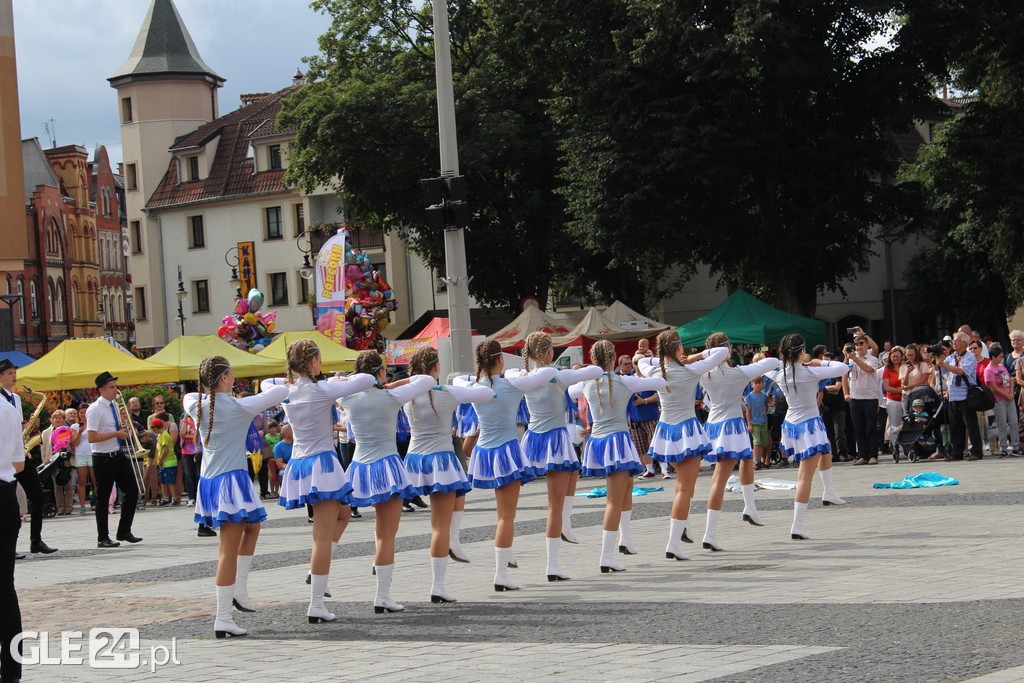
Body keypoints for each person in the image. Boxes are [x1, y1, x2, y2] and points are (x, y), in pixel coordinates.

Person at [267, 339, 375, 623]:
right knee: (321, 538)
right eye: (319, 360)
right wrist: (340, 378)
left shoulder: (288, 391)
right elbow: (368, 378)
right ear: (313, 362)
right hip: (321, 464)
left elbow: (268, 383)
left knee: (342, 516)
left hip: (301, 463)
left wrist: (295, 376)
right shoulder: (322, 389)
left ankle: (316, 571)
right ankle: (316, 601)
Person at [186, 356, 289, 638]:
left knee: (252, 527)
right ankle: (222, 617)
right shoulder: (239, 406)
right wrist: (288, 380)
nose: (234, 377)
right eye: (231, 374)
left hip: (212, 482)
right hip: (229, 482)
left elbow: (191, 394)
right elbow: (278, 393)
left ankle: (239, 589)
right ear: (224, 378)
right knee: (226, 552)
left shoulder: (196, 404)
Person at [341, 350, 434, 613]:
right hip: (387, 467)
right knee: (386, 535)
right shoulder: (390, 395)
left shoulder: (347, 397)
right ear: (380, 372)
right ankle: (382, 595)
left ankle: (319, 573)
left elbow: (330, 387)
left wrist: (352, 382)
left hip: (359, 467)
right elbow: (425, 380)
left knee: (376, 533)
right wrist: (393, 383)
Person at [462, 339, 556, 591]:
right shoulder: (511, 384)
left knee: (501, 514)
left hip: (484, 452)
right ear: (500, 359)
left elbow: (457, 382)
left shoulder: (474, 386)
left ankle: (506, 554)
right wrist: (521, 371)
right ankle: (501, 574)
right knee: (507, 516)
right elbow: (547, 372)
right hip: (506, 451)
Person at [405, 346, 495, 601]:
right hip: (440, 461)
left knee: (456, 499)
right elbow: (487, 393)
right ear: (435, 368)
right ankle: (438, 586)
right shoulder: (445, 393)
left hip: (414, 461)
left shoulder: (407, 396)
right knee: (439, 526)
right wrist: (464, 382)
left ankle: (453, 539)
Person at [571, 340, 666, 572]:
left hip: (599, 442)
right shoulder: (623, 381)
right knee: (614, 499)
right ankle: (606, 556)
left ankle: (625, 540)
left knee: (626, 488)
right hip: (617, 440)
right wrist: (644, 360)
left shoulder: (585, 383)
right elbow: (660, 381)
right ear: (613, 359)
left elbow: (569, 389)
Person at [514, 332, 602, 582]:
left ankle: (564, 524)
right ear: (549, 352)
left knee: (573, 471)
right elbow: (594, 371)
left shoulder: (524, 377)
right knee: (554, 504)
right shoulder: (557, 375)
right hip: (554, 439)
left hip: (533, 438)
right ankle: (553, 562)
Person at [636, 330, 728, 561]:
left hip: (666, 430)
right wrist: (696, 357)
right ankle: (673, 542)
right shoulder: (689, 369)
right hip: (686, 430)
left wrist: (662, 357)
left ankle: (681, 530)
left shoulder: (655, 369)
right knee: (685, 490)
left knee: (681, 487)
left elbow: (641, 360)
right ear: (677, 348)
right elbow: (723, 351)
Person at [698, 332, 781, 549]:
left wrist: (705, 356)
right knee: (719, 480)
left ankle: (750, 507)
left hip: (715, 425)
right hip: (730, 426)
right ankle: (709, 533)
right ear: (726, 350)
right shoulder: (736, 373)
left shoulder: (703, 373)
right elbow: (773, 361)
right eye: (730, 348)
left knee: (746, 460)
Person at [766, 334, 851, 540]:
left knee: (826, 449)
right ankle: (797, 524)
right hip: (809, 424)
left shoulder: (780, 373)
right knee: (805, 476)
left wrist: (782, 361)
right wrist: (820, 361)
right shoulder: (810, 371)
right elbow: (844, 368)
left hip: (793, 424)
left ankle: (829, 491)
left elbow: (763, 365)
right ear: (802, 351)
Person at [2, 360, 58, 555]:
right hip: (4, 457)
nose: (14, 376)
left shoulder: (16, 399)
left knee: (37, 494)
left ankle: (36, 540)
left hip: (20, 453)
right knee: (8, 501)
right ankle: (10, 546)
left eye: (14, 372)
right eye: (9, 373)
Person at [87, 371, 142, 548]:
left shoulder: (113, 406)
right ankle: (102, 537)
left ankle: (124, 530)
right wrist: (116, 433)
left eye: (115, 386)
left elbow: (115, 429)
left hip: (117, 454)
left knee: (132, 491)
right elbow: (92, 437)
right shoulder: (95, 409)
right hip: (102, 458)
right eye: (111, 387)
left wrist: (123, 429)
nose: (115, 390)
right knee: (103, 498)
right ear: (101, 390)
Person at [0, 369, 24, 683]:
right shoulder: (7, 408)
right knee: (5, 589)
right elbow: (18, 464)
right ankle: (12, 671)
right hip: (5, 496)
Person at [937, 332, 983, 461]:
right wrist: (938, 358)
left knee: (971, 424)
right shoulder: (951, 357)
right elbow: (941, 369)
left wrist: (944, 364)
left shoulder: (970, 357)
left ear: (964, 343)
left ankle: (976, 451)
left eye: (956, 341)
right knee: (955, 426)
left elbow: (961, 371)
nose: (954, 343)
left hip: (966, 395)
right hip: (953, 396)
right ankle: (956, 452)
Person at [844, 333, 881, 465]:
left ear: (866, 345)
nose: (858, 347)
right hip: (855, 397)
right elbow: (844, 372)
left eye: (861, 344)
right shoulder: (851, 359)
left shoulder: (872, 358)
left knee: (870, 428)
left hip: (870, 397)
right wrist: (846, 357)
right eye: (856, 344)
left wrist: (855, 358)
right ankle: (863, 454)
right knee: (858, 428)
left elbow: (868, 369)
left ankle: (873, 455)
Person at [985, 345, 1018, 456]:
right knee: (1002, 423)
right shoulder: (989, 370)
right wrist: (1006, 395)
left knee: (1014, 422)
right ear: (993, 357)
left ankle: (1016, 446)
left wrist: (1011, 393)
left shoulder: (1001, 367)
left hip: (1009, 397)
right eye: (999, 356)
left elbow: (1010, 380)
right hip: (999, 399)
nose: (1001, 358)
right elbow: (993, 388)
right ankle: (1003, 447)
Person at [68, 406, 95, 515]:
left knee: (95, 481)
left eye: (85, 412)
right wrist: (80, 432)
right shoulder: (75, 426)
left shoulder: (93, 423)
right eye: (81, 413)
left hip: (93, 453)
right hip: (81, 455)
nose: (83, 414)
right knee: (81, 481)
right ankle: (82, 506)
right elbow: (74, 443)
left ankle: (98, 503)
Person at [882, 346, 905, 460]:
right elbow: (887, 387)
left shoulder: (906, 367)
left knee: (906, 424)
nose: (895, 358)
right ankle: (897, 449)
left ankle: (907, 448)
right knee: (895, 426)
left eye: (897, 356)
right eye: (893, 356)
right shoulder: (887, 369)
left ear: (902, 357)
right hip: (893, 400)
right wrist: (900, 390)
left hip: (906, 399)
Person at [151, 417, 180, 507]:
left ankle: (174, 498)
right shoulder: (160, 435)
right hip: (163, 463)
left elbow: (165, 449)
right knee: (163, 481)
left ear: (155, 428)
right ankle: (166, 498)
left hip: (169, 461)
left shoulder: (164, 435)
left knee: (170, 481)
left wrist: (161, 459)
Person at [746, 377, 771, 469]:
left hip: (763, 421)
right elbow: (748, 410)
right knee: (756, 442)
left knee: (763, 442)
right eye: (755, 383)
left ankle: (760, 459)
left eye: (759, 383)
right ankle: (756, 461)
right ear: (752, 385)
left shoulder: (764, 396)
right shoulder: (749, 396)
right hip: (754, 422)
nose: (757, 385)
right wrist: (749, 423)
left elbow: (766, 406)